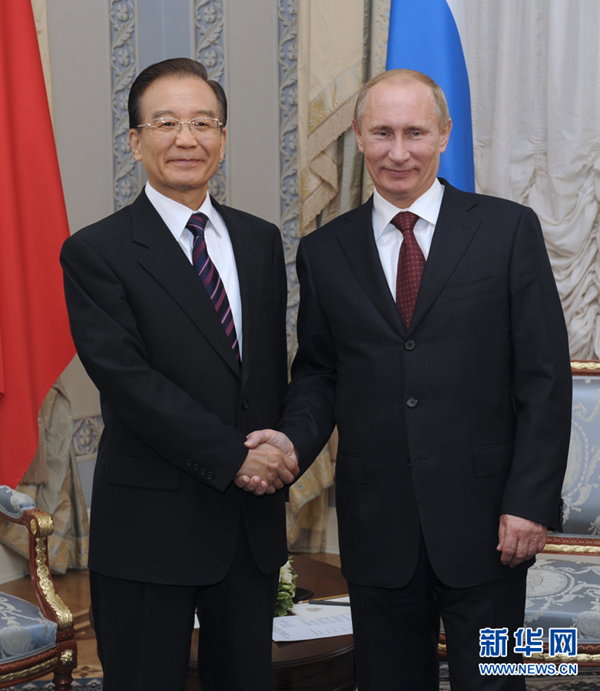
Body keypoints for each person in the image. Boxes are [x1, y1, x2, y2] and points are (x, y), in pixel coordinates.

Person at [243, 69, 572, 690]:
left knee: (504, 680)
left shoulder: (508, 229)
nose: (399, 152)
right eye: (383, 133)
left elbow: (545, 378)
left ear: (444, 135)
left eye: (416, 133)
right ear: (358, 137)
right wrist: (290, 442)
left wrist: (529, 502)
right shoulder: (324, 250)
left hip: (494, 526)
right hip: (378, 524)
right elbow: (318, 372)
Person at [60, 57, 298, 691]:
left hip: (248, 529)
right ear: (135, 141)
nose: (186, 138)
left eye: (203, 122)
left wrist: (280, 447)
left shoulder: (260, 241)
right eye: (165, 123)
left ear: (221, 137)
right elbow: (128, 382)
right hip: (149, 529)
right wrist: (234, 456)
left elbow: (265, 374)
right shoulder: (97, 250)